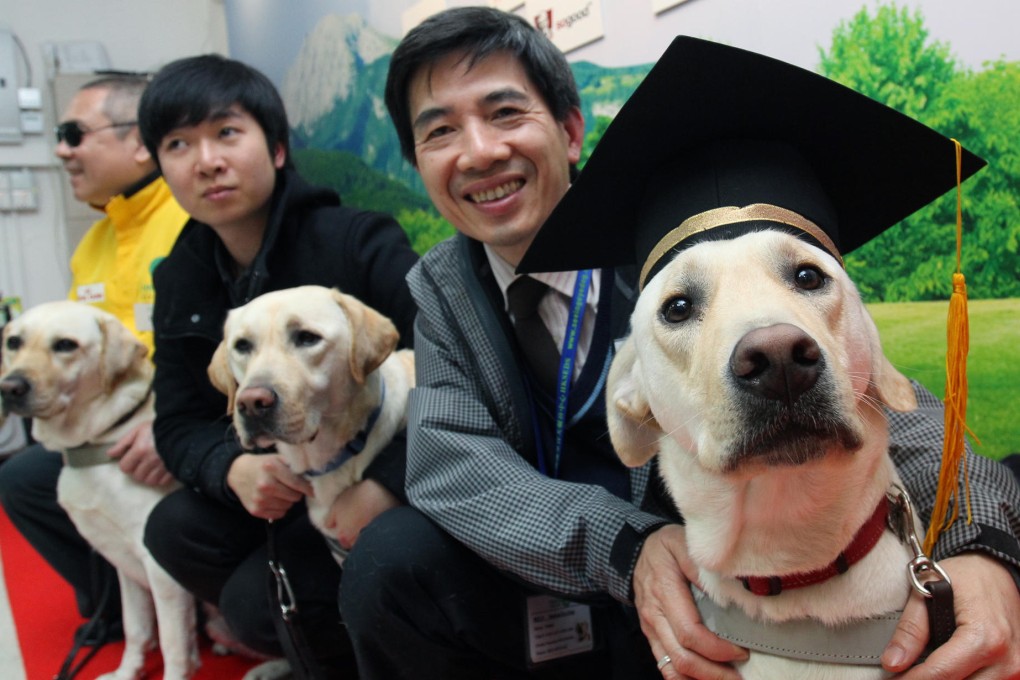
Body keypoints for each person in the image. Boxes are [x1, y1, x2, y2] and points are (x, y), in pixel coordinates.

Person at [339, 7, 1020, 679]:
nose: (480, 151)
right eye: (440, 131)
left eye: (505, 113)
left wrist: (978, 543)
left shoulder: (680, 242)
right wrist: (626, 547)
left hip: (720, 589)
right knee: (391, 564)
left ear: (570, 130)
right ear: (419, 162)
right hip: (562, 582)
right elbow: (452, 465)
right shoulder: (442, 292)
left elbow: (892, 403)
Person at [135, 54, 418, 675]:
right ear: (162, 169)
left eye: (226, 133)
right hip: (289, 485)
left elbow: (451, 371)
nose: (206, 160)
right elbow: (177, 424)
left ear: (279, 149)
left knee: (254, 600)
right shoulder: (179, 279)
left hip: (380, 468)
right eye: (179, 144)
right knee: (174, 528)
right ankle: (312, 640)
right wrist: (231, 466)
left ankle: (340, 639)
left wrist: (387, 484)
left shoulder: (356, 240)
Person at [0, 74, 187, 643]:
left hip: (171, 418)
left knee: (33, 474)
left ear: (138, 142)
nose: (61, 150)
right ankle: (117, 606)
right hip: (102, 419)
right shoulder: (94, 242)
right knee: (28, 475)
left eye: (73, 133)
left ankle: (172, 602)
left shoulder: (189, 225)